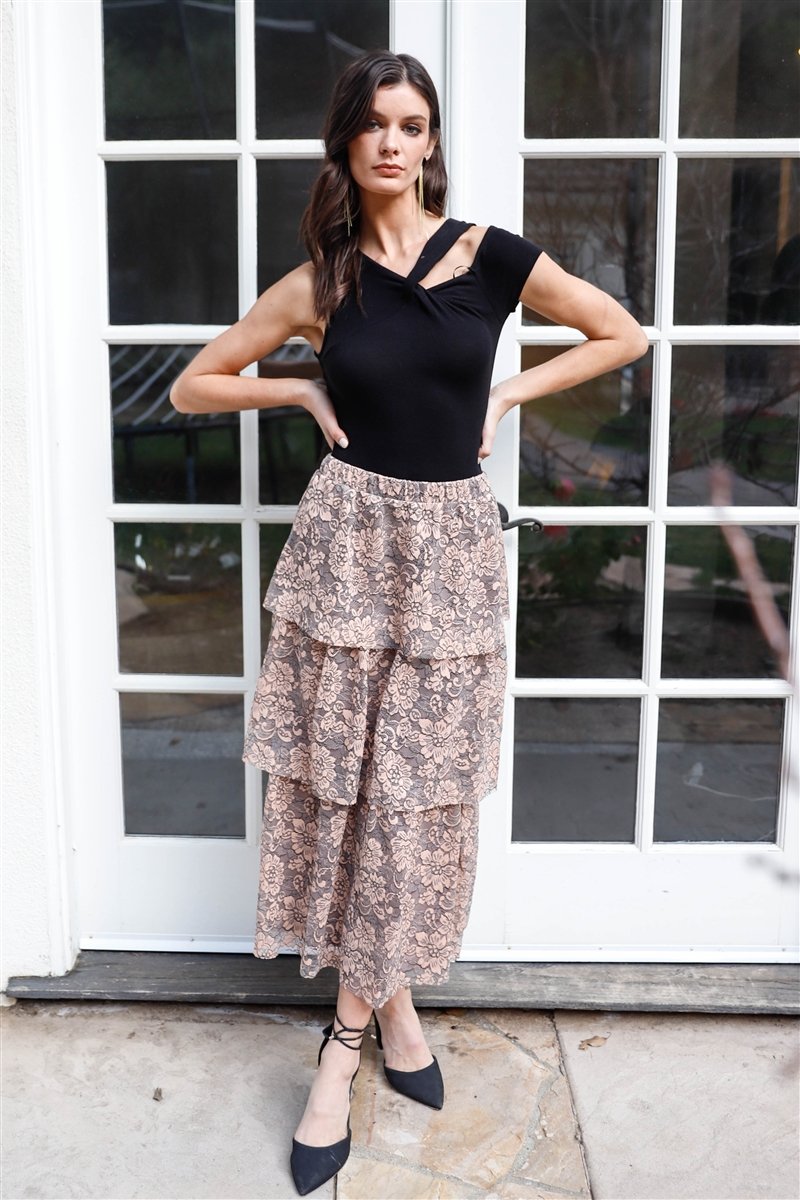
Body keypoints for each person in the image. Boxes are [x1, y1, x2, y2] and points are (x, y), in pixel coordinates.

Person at [170, 48, 647, 1198]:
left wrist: (507, 392)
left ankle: (343, 1043)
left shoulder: (491, 257)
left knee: (410, 802)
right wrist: (295, 386)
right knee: (347, 791)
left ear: (430, 142)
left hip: (448, 560)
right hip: (345, 553)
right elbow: (195, 382)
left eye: (412, 124)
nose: (393, 142)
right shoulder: (319, 282)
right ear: (346, 140)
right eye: (375, 123)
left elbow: (619, 333)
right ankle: (385, 1017)